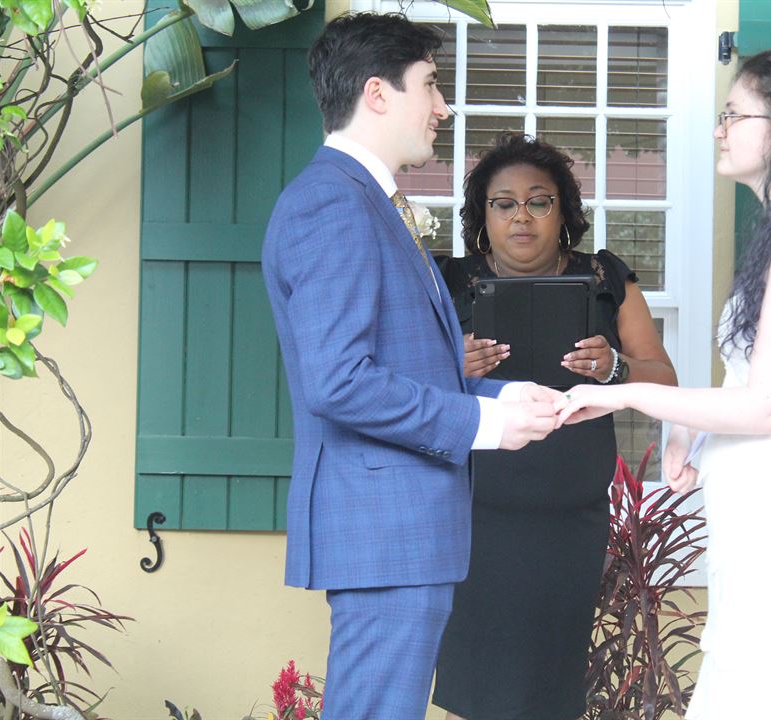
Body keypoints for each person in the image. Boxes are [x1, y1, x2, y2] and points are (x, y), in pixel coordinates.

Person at [556, 49, 771, 718]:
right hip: (758, 514)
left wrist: (622, 393)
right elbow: (757, 385)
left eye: (733, 115)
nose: (719, 130)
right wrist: (688, 426)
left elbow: (767, 408)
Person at [261, 15, 565, 720]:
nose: (442, 107)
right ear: (377, 93)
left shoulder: (364, 199)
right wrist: (482, 423)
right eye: (429, 85)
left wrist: (504, 396)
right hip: (384, 528)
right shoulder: (332, 202)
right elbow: (339, 381)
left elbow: (399, 363)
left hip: (400, 529)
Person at [432, 133, 677, 720]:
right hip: (474, 518)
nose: (521, 216)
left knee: (551, 687)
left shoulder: (605, 279)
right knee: (480, 688)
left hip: (569, 521)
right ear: (482, 216)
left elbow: (665, 381)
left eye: (538, 202)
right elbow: (398, 387)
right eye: (504, 203)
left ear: (563, 212)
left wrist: (614, 368)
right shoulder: (446, 281)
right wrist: (449, 365)